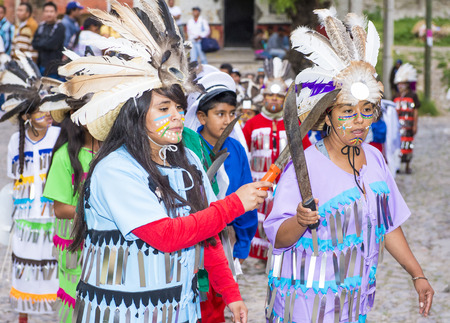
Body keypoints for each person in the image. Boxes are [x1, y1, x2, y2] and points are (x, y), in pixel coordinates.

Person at [58, 2, 270, 321]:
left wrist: (231, 293)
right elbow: (165, 234)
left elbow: (207, 234)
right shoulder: (114, 169)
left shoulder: (189, 164)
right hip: (120, 312)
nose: (177, 117)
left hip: (177, 310)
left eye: (179, 108)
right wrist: (235, 205)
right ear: (135, 114)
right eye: (164, 108)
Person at [264, 10, 434, 322]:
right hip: (306, 304)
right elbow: (278, 237)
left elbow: (388, 223)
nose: (359, 121)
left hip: (353, 303)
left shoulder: (375, 159)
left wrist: (417, 275)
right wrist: (301, 220)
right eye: (347, 111)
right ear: (326, 115)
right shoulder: (307, 166)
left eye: (367, 110)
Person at [187, 71, 258, 322]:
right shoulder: (188, 148)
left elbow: (246, 191)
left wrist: (241, 240)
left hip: (226, 236)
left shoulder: (236, 148)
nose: (227, 120)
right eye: (220, 114)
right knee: (197, 298)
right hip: (195, 236)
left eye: (231, 114)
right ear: (201, 117)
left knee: (220, 298)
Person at [0, 55, 60, 323]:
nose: (46, 115)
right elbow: (15, 181)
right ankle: (22, 317)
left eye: (48, 109)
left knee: (55, 273)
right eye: (40, 111)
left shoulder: (59, 137)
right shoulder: (15, 141)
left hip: (53, 216)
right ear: (25, 115)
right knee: (23, 270)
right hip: (25, 219)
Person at [243, 57, 311, 260]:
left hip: (286, 183)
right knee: (259, 216)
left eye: (278, 96)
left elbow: (307, 153)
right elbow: (243, 151)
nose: (274, 99)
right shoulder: (252, 123)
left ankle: (280, 252)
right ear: (263, 98)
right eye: (270, 96)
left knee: (283, 215)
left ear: (284, 99)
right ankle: (259, 255)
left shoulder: (294, 124)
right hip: (259, 180)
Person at [40, 96, 98, 323]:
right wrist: (99, 211)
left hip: (109, 245)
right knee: (77, 303)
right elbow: (61, 209)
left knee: (108, 295)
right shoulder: (65, 156)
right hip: (76, 246)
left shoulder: (116, 155)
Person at [393, 63, 420, 174]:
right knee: (397, 144)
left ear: (407, 85)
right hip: (398, 125)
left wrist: (415, 125)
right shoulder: (395, 96)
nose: (400, 86)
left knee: (408, 144)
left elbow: (416, 111)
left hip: (408, 125)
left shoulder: (412, 95)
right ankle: (397, 164)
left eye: (403, 84)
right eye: (399, 84)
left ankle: (408, 165)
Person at [31, 1, 65, 77]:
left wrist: (41, 43)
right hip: (40, 65)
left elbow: (52, 45)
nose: (49, 14)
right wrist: (45, 43)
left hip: (54, 68)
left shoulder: (60, 27)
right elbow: (34, 43)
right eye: (46, 11)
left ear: (56, 13)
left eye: (51, 11)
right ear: (43, 13)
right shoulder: (41, 26)